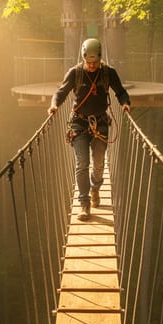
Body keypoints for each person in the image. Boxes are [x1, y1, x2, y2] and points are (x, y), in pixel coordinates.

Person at [48, 38, 131, 221]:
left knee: (99, 163)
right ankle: (84, 204)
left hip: (100, 122)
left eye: (95, 62)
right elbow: (60, 92)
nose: (92, 66)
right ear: (83, 59)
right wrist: (54, 105)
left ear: (100, 59)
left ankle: (95, 188)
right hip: (79, 123)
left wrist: (125, 104)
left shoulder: (108, 73)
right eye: (89, 62)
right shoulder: (75, 73)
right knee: (82, 163)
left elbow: (120, 92)